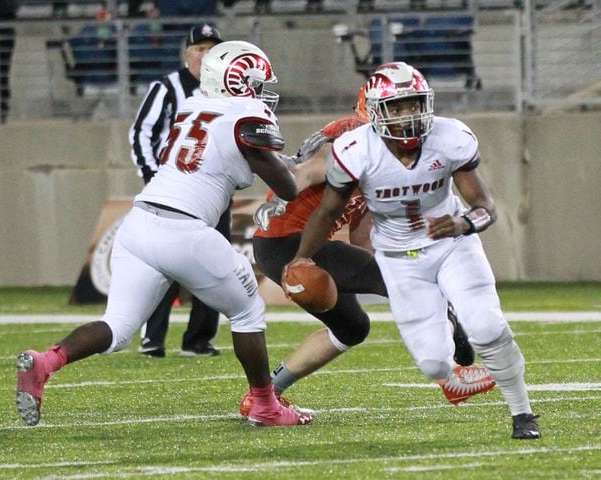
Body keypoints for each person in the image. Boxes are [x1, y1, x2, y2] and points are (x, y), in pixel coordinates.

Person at [16, 40, 313, 429]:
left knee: (119, 327)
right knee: (247, 311)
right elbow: (285, 187)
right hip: (185, 229)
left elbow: (231, 151)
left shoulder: (193, 104)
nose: (262, 91)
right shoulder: (245, 114)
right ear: (237, 82)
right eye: (256, 82)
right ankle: (265, 405)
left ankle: (47, 361)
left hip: (138, 224)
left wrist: (280, 160)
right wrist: (296, 172)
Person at [285, 62, 540, 440]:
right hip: (399, 260)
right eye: (398, 107)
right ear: (375, 111)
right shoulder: (355, 150)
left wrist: (465, 223)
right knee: (434, 365)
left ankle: (523, 413)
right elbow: (329, 210)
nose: (409, 115)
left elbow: (486, 206)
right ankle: (462, 376)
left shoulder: (450, 137)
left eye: (414, 104)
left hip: (452, 245)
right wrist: (302, 256)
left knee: (487, 326)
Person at [239, 86, 490, 417]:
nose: (405, 120)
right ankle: (451, 378)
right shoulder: (355, 132)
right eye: (396, 110)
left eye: (408, 109)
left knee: (352, 328)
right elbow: (312, 170)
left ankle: (265, 396)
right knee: (401, 282)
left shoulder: (386, 159)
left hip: (288, 246)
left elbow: (361, 236)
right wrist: (285, 196)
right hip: (290, 243)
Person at [129, 24, 226, 358]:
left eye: (212, 48)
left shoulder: (229, 92)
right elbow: (141, 132)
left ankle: (199, 339)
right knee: (162, 265)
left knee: (213, 265)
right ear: (186, 54)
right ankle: (152, 337)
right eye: (199, 48)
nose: (205, 55)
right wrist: (152, 177)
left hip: (213, 194)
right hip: (173, 192)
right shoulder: (168, 87)